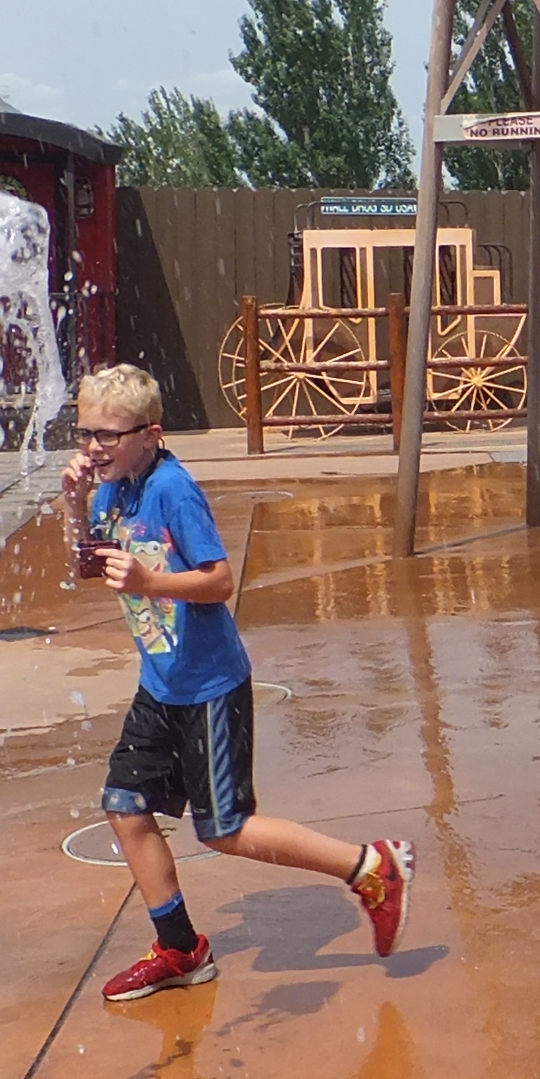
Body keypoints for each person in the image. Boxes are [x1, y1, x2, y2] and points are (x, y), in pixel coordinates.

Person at [58, 364, 411, 1000]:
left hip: (209, 687)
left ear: (151, 434)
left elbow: (220, 581)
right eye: (86, 433)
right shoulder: (111, 490)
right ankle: (181, 949)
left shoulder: (172, 490)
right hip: (159, 683)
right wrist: (72, 503)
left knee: (225, 829)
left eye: (109, 435)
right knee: (124, 805)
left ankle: (370, 867)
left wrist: (150, 582)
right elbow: (87, 564)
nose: (94, 447)